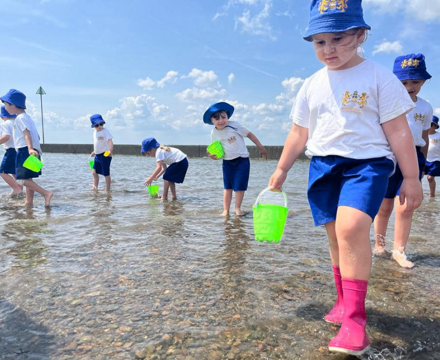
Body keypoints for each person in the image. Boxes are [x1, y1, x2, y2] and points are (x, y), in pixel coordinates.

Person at [268, 0, 422, 356]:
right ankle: (342, 301)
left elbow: (398, 130)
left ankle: (355, 319)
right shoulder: (311, 84)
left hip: (367, 164)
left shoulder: (378, 76)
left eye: (338, 38)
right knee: (336, 236)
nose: (328, 49)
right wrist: (281, 169)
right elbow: (297, 132)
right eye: (320, 42)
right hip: (323, 165)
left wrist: (411, 177)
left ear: (360, 34)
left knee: (352, 228)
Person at [373, 53, 433, 269]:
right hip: (389, 156)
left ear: (424, 81)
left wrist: (423, 162)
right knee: (384, 205)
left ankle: (399, 250)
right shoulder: (386, 102)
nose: (409, 86)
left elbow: (424, 136)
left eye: (415, 81)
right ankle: (379, 244)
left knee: (406, 206)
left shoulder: (425, 108)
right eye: (403, 82)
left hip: (415, 156)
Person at [203, 102, 268, 216]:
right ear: (211, 120)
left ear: (228, 116)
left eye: (224, 117)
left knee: (239, 187)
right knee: (227, 187)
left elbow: (249, 134)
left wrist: (261, 147)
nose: (221, 120)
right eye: (217, 118)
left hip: (241, 160)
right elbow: (215, 150)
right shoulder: (214, 133)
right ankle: (226, 210)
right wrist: (211, 156)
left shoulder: (235, 125)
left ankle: (237, 208)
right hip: (227, 162)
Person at [0, 89, 53, 207]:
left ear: (12, 105)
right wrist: (35, 149)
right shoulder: (27, 117)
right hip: (34, 150)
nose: (5, 107)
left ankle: (46, 193)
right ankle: (28, 202)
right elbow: (36, 135)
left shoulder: (20, 118)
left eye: (5, 104)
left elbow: (26, 133)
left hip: (25, 151)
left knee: (21, 180)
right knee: (28, 178)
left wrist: (29, 148)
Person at [0, 105, 23, 196]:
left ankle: (17, 190)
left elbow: (6, 136)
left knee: (3, 172)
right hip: (19, 150)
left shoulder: (5, 124)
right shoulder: (16, 123)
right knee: (14, 172)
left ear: (2, 117)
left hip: (11, 150)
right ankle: (19, 189)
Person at [89, 114, 113, 192]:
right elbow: (97, 144)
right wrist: (94, 152)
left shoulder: (105, 131)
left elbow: (110, 141)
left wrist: (110, 150)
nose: (99, 126)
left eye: (101, 124)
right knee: (94, 172)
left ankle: (107, 189)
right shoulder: (94, 133)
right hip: (97, 155)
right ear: (93, 126)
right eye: (97, 125)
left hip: (106, 154)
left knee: (106, 173)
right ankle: (95, 187)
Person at [424, 116, 440, 197]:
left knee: (430, 177)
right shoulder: (423, 135)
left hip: (435, 159)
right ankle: (419, 194)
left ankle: (432, 194)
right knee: (419, 176)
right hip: (424, 159)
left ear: (435, 126)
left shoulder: (438, 135)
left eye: (430, 124)